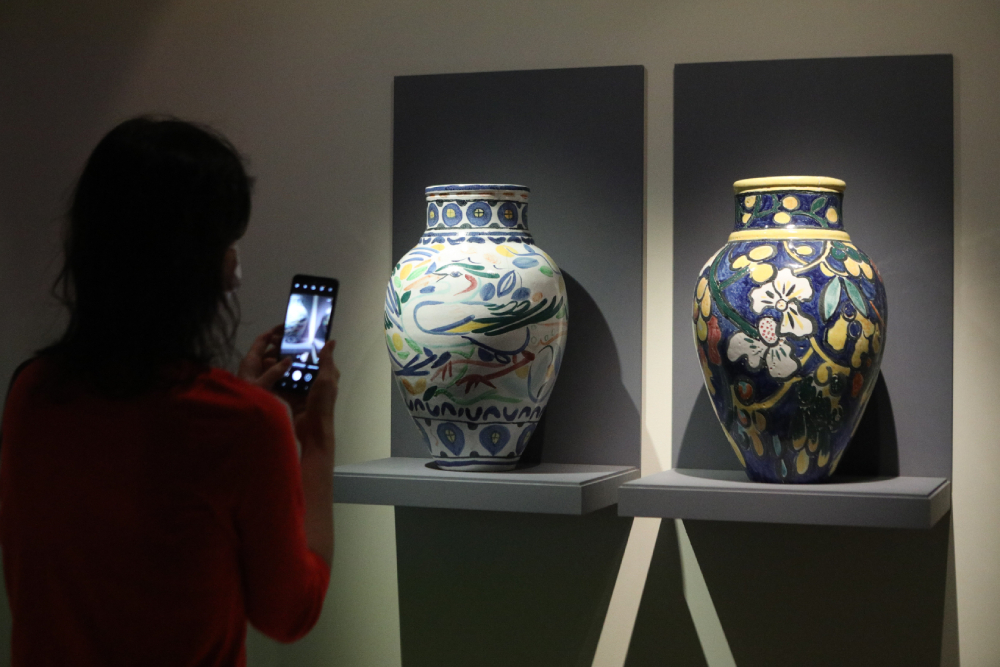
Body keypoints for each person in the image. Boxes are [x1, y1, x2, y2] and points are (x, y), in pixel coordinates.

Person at [0, 116, 338, 666]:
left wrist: (237, 400)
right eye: (228, 242)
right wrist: (316, 437)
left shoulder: (31, 392)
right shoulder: (247, 425)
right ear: (201, 264)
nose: (234, 264)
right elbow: (289, 613)